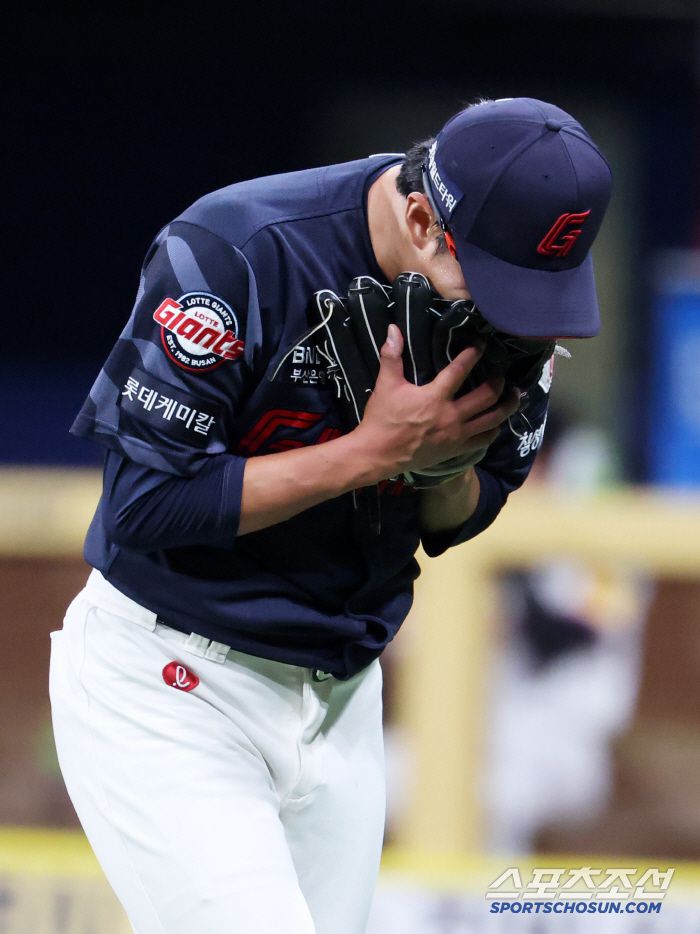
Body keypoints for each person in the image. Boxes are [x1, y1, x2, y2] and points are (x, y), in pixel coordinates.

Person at [49, 97, 612, 934]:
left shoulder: (512, 318)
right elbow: (144, 505)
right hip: (173, 682)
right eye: (499, 283)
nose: (515, 315)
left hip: (343, 695)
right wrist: (371, 452)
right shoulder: (241, 248)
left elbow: (462, 515)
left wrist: (439, 467)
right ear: (420, 221)